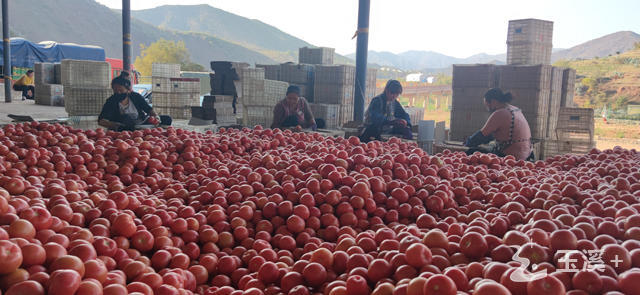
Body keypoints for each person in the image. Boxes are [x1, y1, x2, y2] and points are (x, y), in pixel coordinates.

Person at [464, 88, 534, 160]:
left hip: (512, 157)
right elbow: (492, 135)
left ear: (493, 101)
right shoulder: (515, 109)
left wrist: (468, 143)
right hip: (527, 154)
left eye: (487, 105)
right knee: (489, 147)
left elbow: (481, 135)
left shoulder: (500, 113)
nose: (488, 109)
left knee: (471, 152)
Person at [98, 74, 171, 131]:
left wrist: (156, 117)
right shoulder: (111, 101)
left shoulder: (136, 97)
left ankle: (158, 132)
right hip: (123, 126)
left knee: (167, 119)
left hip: (141, 123)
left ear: (128, 90)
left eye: (121, 90)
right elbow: (101, 120)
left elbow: (148, 109)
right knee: (126, 118)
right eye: (115, 90)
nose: (118, 93)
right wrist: (114, 125)